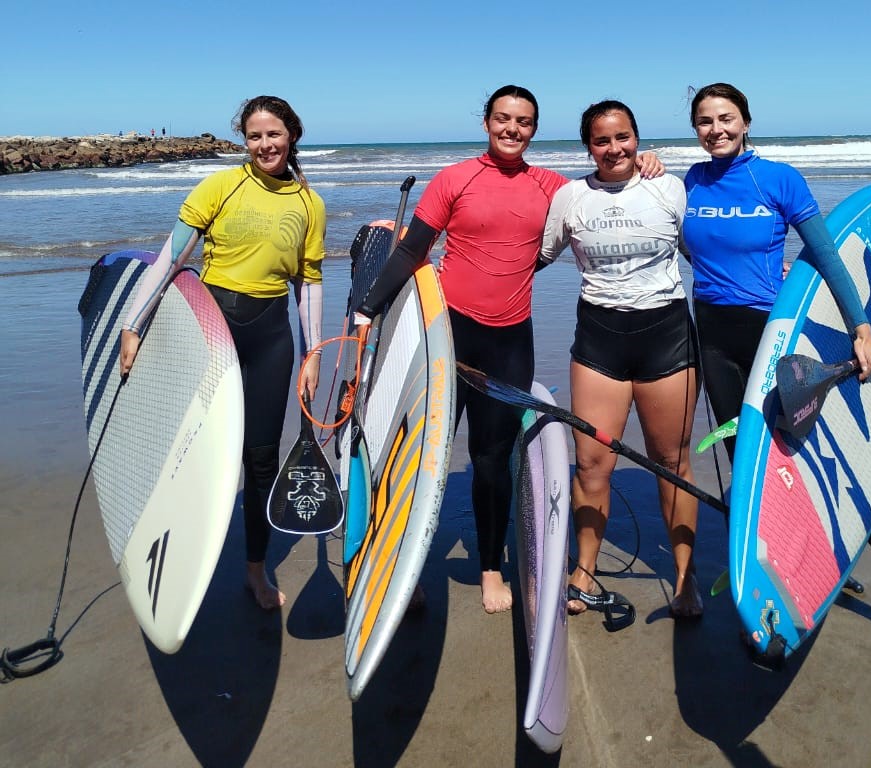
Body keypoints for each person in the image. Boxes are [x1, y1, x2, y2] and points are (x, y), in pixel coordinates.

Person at [359, 85, 664, 614]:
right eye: (503, 119)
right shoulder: (455, 178)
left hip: (508, 339)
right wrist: (368, 311)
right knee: (417, 454)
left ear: (534, 129)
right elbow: (414, 248)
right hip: (446, 336)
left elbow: (603, 199)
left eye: (523, 122)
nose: (512, 129)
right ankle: (398, 567)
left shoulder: (551, 186)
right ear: (486, 122)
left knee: (491, 459)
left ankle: (489, 569)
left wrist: (647, 166)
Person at [682, 82, 871, 657]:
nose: (716, 129)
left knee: (829, 466)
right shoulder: (689, 184)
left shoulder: (777, 179)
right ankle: (805, 563)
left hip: (774, 337)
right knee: (754, 469)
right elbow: (688, 247)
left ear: (746, 121)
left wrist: (861, 326)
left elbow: (825, 253)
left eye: (726, 118)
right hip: (716, 342)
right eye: (705, 120)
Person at [119, 95, 326, 611]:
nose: (265, 145)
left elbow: (310, 282)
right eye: (255, 136)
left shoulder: (309, 204)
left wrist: (313, 352)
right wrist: (133, 324)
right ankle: (175, 550)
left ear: (291, 135)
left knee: (260, 458)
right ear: (244, 140)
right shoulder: (221, 185)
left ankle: (255, 570)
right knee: (194, 448)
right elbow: (173, 255)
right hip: (213, 329)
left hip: (272, 335)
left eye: (273, 134)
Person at [539, 100, 702, 619]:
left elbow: (711, 252)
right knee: (591, 465)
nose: (615, 149)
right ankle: (583, 571)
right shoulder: (570, 197)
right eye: (602, 140)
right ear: (588, 146)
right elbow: (534, 257)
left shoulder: (669, 187)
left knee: (672, 463)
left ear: (637, 138)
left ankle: (684, 579)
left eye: (623, 137)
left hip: (666, 335)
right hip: (600, 340)